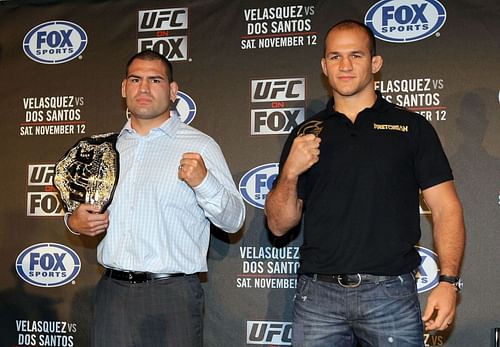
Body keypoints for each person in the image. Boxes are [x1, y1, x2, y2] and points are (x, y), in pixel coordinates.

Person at [265, 20, 465, 346]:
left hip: (390, 296)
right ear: (323, 66)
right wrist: (289, 173)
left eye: (355, 56)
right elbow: (278, 225)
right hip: (318, 298)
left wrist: (448, 282)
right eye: (335, 57)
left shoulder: (411, 128)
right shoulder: (307, 133)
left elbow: (446, 208)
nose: (344, 66)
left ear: (375, 63)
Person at [64, 50, 245, 347]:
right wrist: (74, 222)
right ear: (124, 89)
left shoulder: (200, 145)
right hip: (112, 294)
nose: (144, 88)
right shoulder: (104, 150)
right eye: (135, 79)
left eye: (155, 80)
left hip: (172, 294)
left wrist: (204, 182)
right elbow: (78, 211)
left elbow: (234, 219)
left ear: (173, 91)